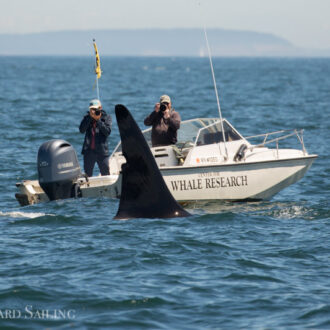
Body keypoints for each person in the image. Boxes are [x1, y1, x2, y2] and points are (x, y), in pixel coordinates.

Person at [79, 99, 112, 177]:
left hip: (102, 151)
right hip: (89, 151)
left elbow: (107, 132)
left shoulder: (106, 118)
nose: (93, 111)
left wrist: (98, 120)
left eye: (95, 109)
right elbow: (81, 130)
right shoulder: (87, 118)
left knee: (105, 173)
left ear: (100, 108)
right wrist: (90, 118)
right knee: (87, 174)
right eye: (91, 109)